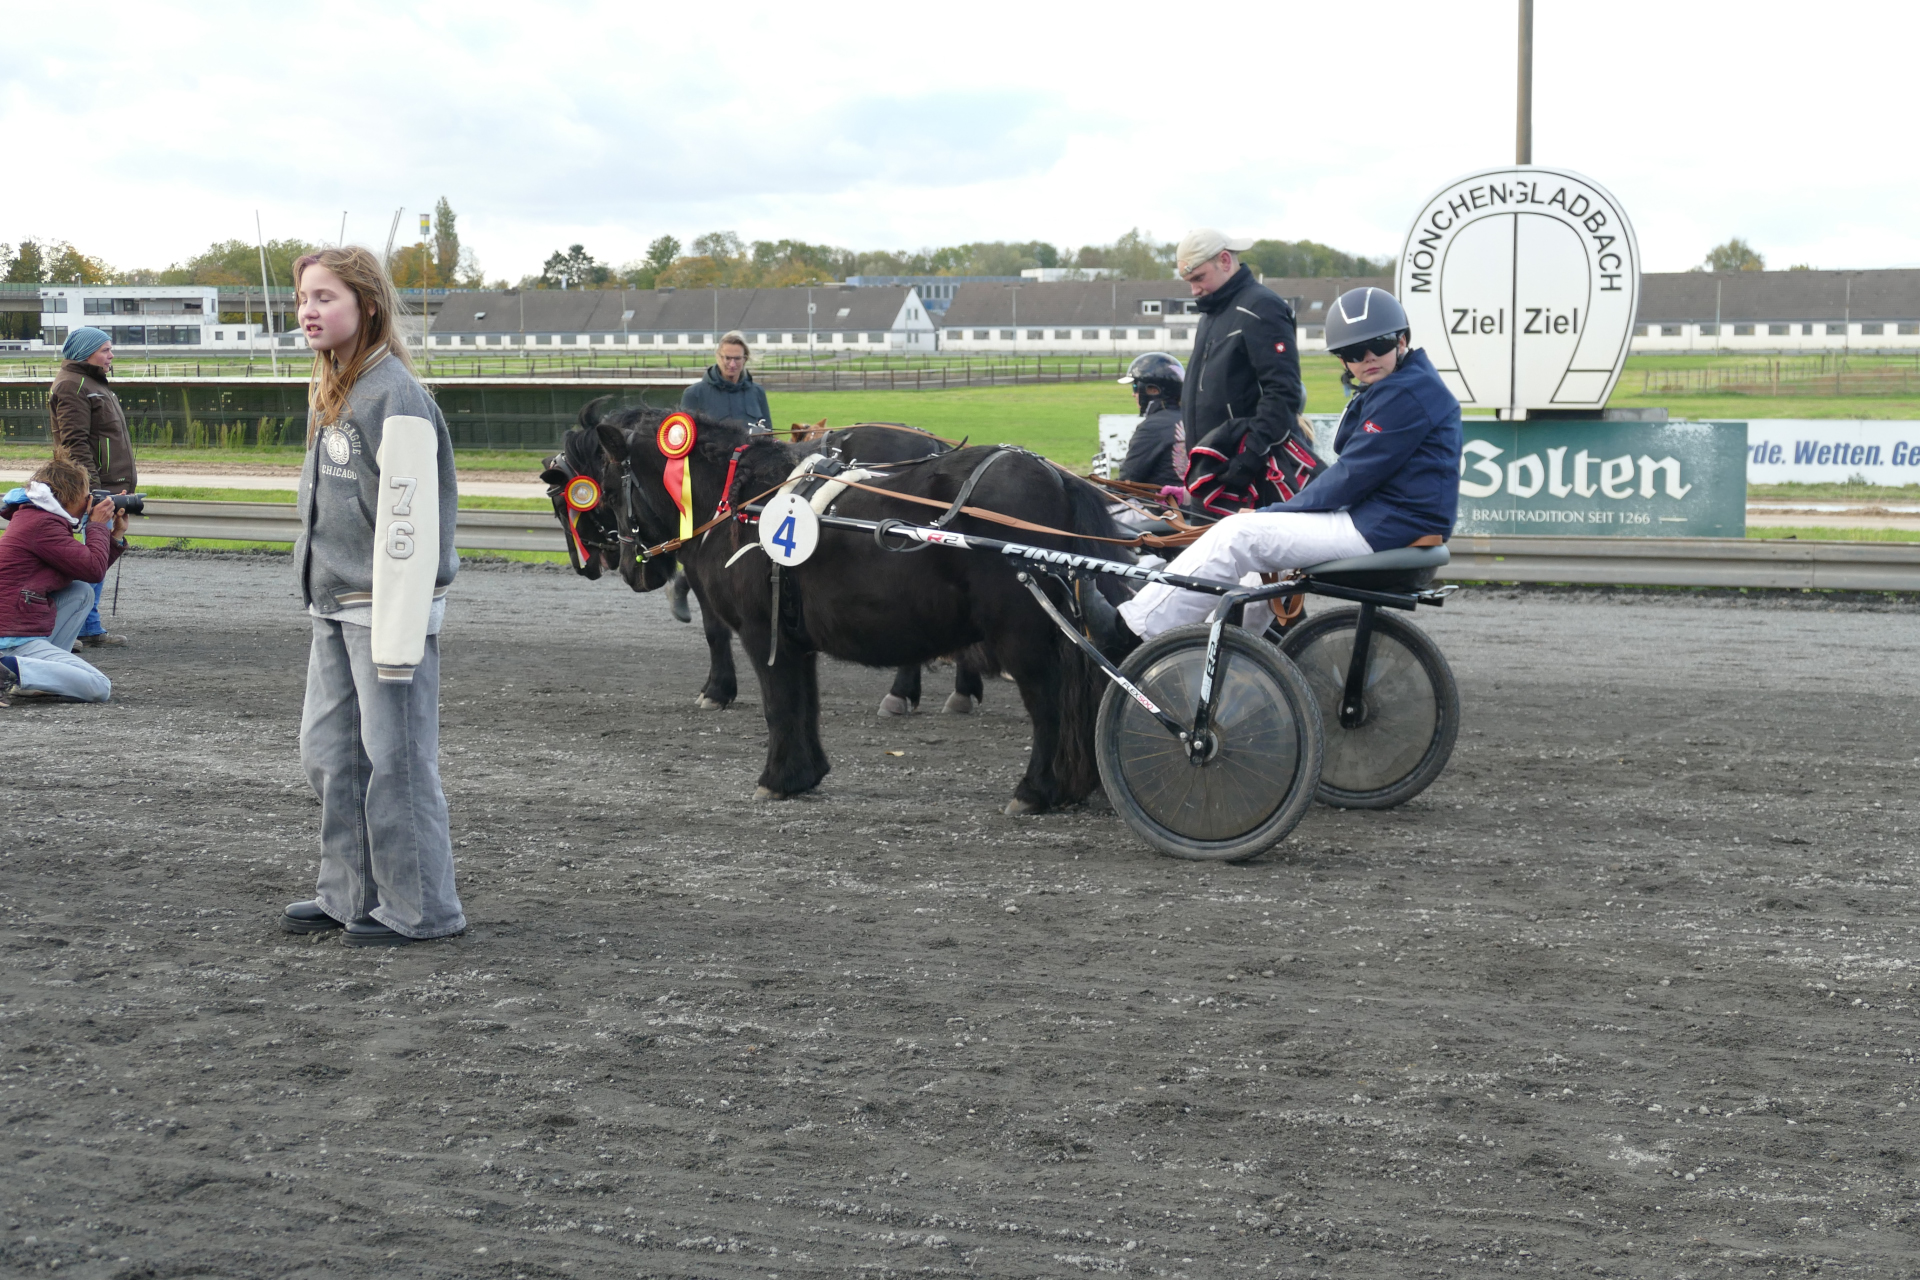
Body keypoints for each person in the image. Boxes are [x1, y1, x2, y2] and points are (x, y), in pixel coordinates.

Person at [281, 246, 465, 948]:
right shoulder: (334, 385)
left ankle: (422, 910)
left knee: (397, 763)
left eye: (324, 297)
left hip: (384, 610)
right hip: (333, 602)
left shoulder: (396, 395)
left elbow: (414, 525)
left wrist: (400, 622)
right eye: (304, 298)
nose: (308, 311)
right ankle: (350, 894)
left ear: (367, 305)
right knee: (331, 754)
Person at [1116, 287, 1462, 642]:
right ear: (1342, 360)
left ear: (1402, 341)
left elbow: (1351, 477)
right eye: (1354, 352)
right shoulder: (1405, 384)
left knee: (1236, 534)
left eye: (1380, 344)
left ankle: (1133, 631)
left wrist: (1274, 512)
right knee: (1257, 562)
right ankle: (1226, 654)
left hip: (1386, 526)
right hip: (1384, 519)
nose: (1368, 358)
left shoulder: (1407, 392)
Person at [1174, 229, 1322, 516]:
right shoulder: (1212, 314)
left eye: (1199, 278)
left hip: (1249, 478)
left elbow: (1283, 392)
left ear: (1225, 260)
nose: (1194, 290)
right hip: (1211, 471)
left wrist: (1249, 458)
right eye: (1189, 281)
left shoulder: (1262, 307)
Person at [0, 451, 125, 707]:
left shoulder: (36, 516)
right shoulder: (44, 526)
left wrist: (114, 536)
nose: (90, 501)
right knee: (99, 686)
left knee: (80, 592)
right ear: (70, 496)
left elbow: (87, 569)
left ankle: (30, 678)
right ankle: (10, 669)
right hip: (10, 638)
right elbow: (93, 569)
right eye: (87, 495)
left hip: (12, 627)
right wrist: (96, 525)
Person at [48, 326, 134, 648]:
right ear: (86, 353)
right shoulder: (73, 384)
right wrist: (95, 492)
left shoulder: (93, 383)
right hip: (93, 491)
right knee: (91, 558)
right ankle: (76, 627)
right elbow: (75, 444)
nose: (112, 355)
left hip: (107, 487)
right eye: (105, 350)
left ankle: (89, 626)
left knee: (99, 556)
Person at [1115, 352, 1186, 489]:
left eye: (1135, 387)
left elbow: (1127, 481)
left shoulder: (1152, 427)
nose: (1133, 394)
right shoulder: (1192, 420)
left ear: (1153, 390)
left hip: (1163, 501)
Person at [679, 330, 772, 433]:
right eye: (727, 358)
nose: (732, 364)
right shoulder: (695, 394)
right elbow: (686, 436)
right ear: (718, 357)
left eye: (737, 358)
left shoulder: (757, 392)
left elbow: (768, 433)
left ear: (744, 359)